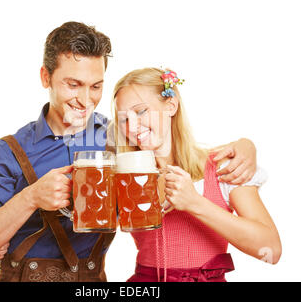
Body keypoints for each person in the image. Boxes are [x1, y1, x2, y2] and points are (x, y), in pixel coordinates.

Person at [0, 22, 258, 282]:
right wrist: (30, 198)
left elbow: (174, 147)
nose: (85, 99)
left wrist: (246, 146)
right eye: (73, 84)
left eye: (96, 86)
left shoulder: (123, 138)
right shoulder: (9, 151)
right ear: (45, 77)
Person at [112, 67, 281, 282]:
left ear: (171, 105)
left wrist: (194, 203)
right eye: (124, 119)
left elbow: (271, 250)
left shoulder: (223, 166)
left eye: (141, 111)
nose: (132, 126)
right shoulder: (128, 177)